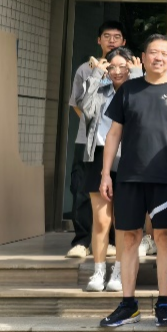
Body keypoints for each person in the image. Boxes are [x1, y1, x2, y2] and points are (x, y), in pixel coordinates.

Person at [98, 34, 167, 329]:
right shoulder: (129, 89)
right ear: (142, 58)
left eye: (164, 54)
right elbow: (114, 134)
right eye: (153, 53)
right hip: (130, 176)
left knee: (164, 237)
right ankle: (128, 304)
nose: (158, 58)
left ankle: (163, 303)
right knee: (129, 238)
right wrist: (106, 173)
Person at [78, 46, 140, 292]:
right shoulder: (101, 90)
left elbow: (140, 111)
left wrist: (137, 75)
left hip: (128, 158)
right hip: (99, 156)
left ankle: (118, 271)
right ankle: (98, 271)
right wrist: (96, 75)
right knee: (102, 221)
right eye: (112, 67)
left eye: (123, 67)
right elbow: (86, 109)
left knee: (122, 222)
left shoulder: (138, 89)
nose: (117, 71)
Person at [67, 21, 126, 258]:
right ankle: (82, 241)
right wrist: (94, 125)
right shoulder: (85, 69)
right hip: (89, 141)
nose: (112, 40)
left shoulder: (128, 71)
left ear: (124, 42)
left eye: (117, 37)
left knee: (116, 193)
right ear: (98, 40)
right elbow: (78, 104)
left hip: (120, 145)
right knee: (82, 190)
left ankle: (110, 241)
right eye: (107, 36)